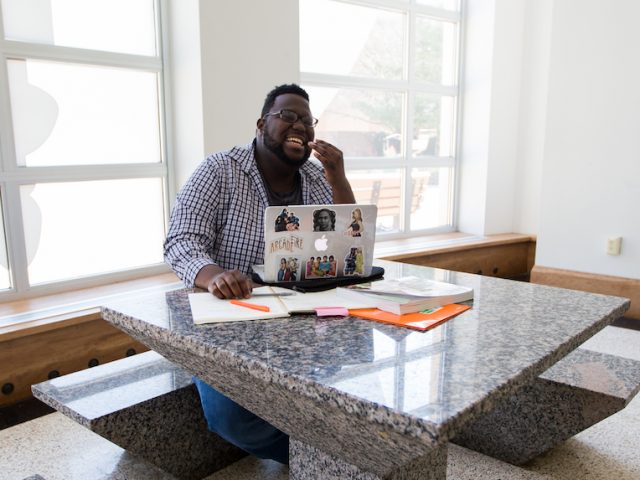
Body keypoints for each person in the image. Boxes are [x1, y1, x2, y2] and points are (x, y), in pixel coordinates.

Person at [163, 84, 355, 465]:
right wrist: (215, 275)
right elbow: (180, 241)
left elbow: (350, 243)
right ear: (261, 124)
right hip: (228, 317)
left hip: (299, 312)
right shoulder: (220, 169)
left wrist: (337, 175)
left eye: (306, 120)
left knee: (346, 375)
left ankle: (338, 453)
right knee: (233, 420)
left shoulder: (318, 178)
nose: (299, 124)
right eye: (288, 116)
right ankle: (326, 463)